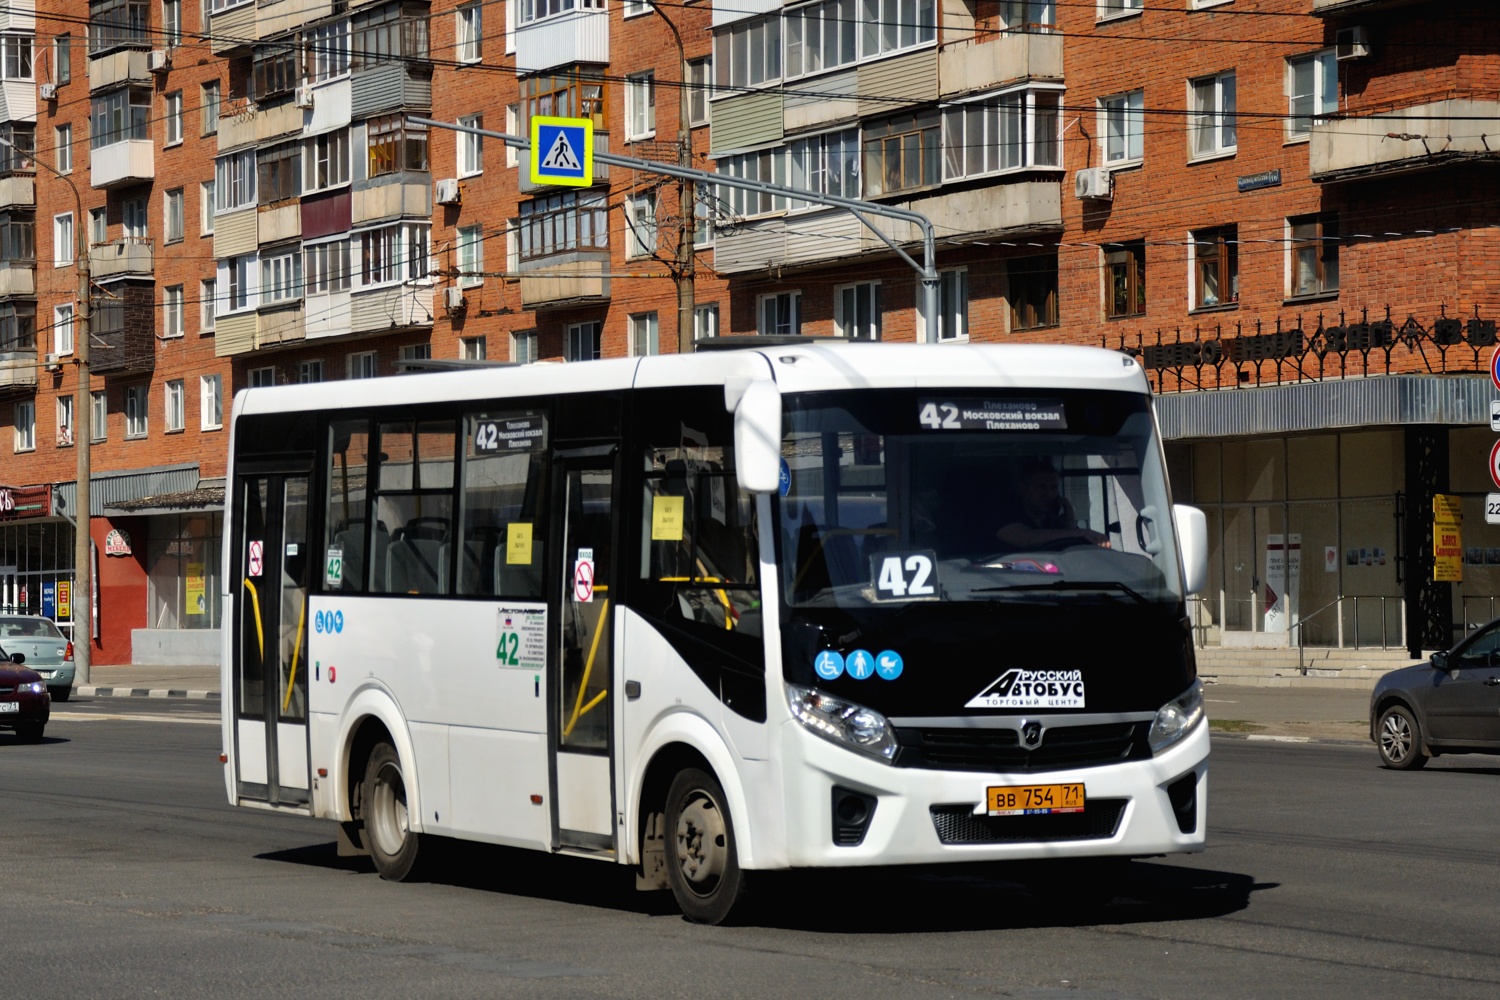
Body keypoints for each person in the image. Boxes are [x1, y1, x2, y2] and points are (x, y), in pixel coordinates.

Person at [997, 458, 1110, 550]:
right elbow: (1027, 539)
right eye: (1041, 487)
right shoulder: (1005, 515)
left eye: (1054, 487)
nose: (1049, 494)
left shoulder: (1055, 523)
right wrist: (1080, 533)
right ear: (1023, 489)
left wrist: (1069, 524)